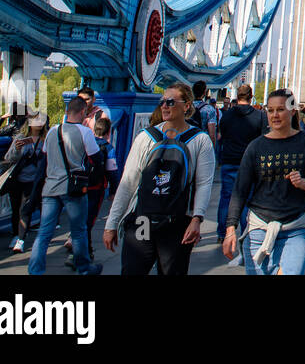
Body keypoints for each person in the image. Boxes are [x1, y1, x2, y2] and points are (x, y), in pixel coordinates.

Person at [103, 83, 216, 275]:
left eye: (171, 102)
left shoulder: (200, 140)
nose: (164, 106)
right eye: (162, 101)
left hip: (179, 222)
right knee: (133, 270)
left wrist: (197, 218)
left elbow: (204, 183)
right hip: (143, 219)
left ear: (186, 106)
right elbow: (128, 181)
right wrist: (111, 224)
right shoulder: (146, 137)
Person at [222, 88, 305, 275]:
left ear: (292, 111)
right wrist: (230, 229)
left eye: (280, 109)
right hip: (258, 229)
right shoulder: (256, 147)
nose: (274, 115)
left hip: (295, 228)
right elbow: (240, 190)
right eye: (270, 110)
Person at [27, 97, 102, 275]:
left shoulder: (52, 131)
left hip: (50, 188)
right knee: (78, 230)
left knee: (44, 233)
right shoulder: (85, 132)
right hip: (73, 188)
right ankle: (83, 268)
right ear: (83, 112)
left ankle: (35, 270)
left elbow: (45, 156)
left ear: (67, 111)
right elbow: (96, 158)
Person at [217, 84, 269, 235]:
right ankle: (246, 231)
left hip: (229, 160)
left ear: (237, 96)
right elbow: (262, 140)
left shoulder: (227, 115)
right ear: (251, 96)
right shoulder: (259, 116)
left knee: (227, 197)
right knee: (247, 198)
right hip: (250, 163)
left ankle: (223, 232)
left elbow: (223, 136)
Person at [69, 114, 116, 268]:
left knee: (79, 219)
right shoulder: (107, 147)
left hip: (79, 185)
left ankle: (82, 251)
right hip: (97, 187)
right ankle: (82, 254)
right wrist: (114, 190)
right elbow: (112, 170)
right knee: (89, 220)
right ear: (109, 133)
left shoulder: (85, 143)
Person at [0, 112, 46, 252]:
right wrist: (18, 150)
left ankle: (21, 239)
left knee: (25, 209)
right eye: (35, 119)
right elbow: (10, 157)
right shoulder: (21, 137)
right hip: (17, 178)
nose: (38, 122)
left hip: (33, 180)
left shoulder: (45, 139)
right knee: (15, 209)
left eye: (40, 120)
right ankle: (15, 235)